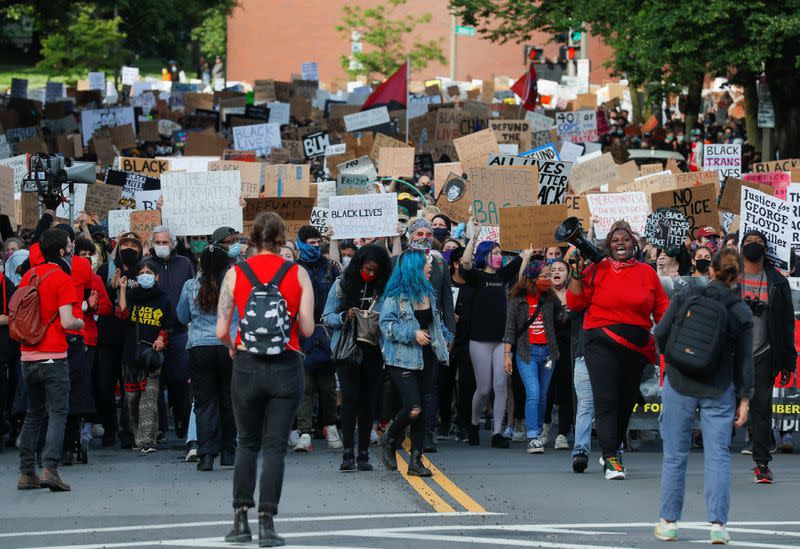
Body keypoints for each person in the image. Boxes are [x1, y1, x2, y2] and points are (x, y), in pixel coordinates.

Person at [216, 212, 314, 547]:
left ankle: (239, 519)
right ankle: (267, 524)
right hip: (286, 365)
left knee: (247, 443)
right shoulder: (297, 272)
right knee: (274, 447)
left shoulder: (235, 273)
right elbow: (307, 329)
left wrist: (233, 348)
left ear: (253, 238)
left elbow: (220, 331)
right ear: (281, 238)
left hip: (246, 364)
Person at [653, 247, 754, 544]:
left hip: (680, 381)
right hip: (718, 387)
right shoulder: (741, 311)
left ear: (710, 270)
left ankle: (669, 522)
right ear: (738, 277)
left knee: (674, 455)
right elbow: (745, 361)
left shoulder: (686, 296)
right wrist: (745, 398)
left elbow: (660, 333)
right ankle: (718, 526)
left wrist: (675, 358)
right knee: (718, 456)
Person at [567, 221, 670, 480]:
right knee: (607, 399)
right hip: (600, 342)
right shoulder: (595, 269)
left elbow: (662, 308)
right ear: (608, 246)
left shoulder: (647, 272)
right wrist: (577, 277)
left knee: (626, 402)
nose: (620, 243)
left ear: (634, 244)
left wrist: (672, 337)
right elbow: (575, 303)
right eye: (615, 240)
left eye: (625, 239)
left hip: (635, 348)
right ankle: (611, 457)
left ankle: (614, 447)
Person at [16, 229, 83, 492]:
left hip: (28, 355)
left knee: (33, 414)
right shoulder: (61, 278)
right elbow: (68, 321)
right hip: (53, 356)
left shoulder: (28, 276)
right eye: (69, 246)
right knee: (57, 413)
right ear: (62, 251)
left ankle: (26, 472)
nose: (71, 249)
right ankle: (50, 468)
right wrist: (80, 321)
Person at [379, 250, 452, 476]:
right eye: (427, 264)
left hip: (427, 358)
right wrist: (413, 334)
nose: (430, 268)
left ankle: (416, 462)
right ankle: (389, 437)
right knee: (414, 408)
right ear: (414, 268)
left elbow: (434, 323)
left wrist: (445, 337)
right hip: (403, 359)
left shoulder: (429, 294)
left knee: (424, 408)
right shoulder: (395, 296)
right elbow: (386, 327)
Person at [322, 244, 392, 472]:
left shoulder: (385, 288)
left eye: (375, 271)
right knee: (350, 399)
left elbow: (393, 317)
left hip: (374, 349)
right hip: (346, 348)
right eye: (367, 269)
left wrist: (379, 318)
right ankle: (347, 452)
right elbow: (327, 315)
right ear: (359, 264)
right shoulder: (342, 283)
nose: (371, 274)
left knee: (368, 401)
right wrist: (345, 315)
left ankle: (363, 453)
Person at [460, 218, 525, 448]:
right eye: (495, 252)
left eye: (500, 252)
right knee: (484, 387)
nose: (499, 256)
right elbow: (465, 262)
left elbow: (522, 260)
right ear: (486, 255)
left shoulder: (503, 276)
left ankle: (497, 432)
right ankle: (474, 422)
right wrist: (474, 236)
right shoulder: (476, 276)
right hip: (479, 340)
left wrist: (528, 251)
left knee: (500, 385)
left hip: (501, 341)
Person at [738, 230, 796, 483]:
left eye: (759, 243)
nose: (753, 245)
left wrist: (787, 362)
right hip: (732, 354)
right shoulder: (729, 276)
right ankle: (715, 459)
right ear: (741, 248)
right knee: (721, 408)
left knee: (761, 410)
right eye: (749, 242)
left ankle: (762, 464)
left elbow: (786, 325)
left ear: (766, 249)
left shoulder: (777, 281)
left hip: (764, 353)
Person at [177, 244, 237, 471]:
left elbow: (181, 316)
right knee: (229, 399)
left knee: (204, 402)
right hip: (227, 346)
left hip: (199, 347)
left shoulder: (190, 286)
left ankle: (206, 454)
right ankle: (229, 452)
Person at [503, 261, 562, 454]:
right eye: (545, 276)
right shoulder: (516, 298)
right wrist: (506, 355)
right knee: (534, 392)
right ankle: (533, 436)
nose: (548, 279)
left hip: (549, 353)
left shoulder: (551, 297)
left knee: (544, 396)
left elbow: (561, 318)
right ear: (532, 278)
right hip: (526, 352)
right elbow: (510, 329)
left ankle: (537, 431)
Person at [117, 259, 174, 454]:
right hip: (131, 354)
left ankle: (147, 440)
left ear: (157, 277)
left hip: (152, 356)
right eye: (142, 272)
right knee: (131, 398)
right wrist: (123, 289)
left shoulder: (164, 299)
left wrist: (161, 339)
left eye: (149, 272)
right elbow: (122, 314)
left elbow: (169, 325)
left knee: (149, 398)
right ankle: (136, 436)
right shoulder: (132, 296)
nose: (145, 275)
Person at [294, 225, 341, 452]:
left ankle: (330, 425)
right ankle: (305, 432)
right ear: (300, 245)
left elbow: (342, 293)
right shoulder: (292, 270)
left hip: (326, 333)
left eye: (317, 242)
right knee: (304, 385)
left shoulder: (331, 268)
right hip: (301, 333)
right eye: (310, 242)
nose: (315, 246)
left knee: (328, 385)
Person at [95, 232, 142, 448]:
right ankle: (109, 428)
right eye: (125, 244)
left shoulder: (143, 270)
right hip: (107, 338)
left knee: (129, 387)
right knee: (105, 386)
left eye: (134, 244)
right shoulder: (106, 269)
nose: (129, 248)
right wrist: (110, 287)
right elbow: (99, 303)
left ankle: (127, 430)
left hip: (132, 336)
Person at [150, 226, 195, 440]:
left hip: (178, 330)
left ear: (173, 243)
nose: (161, 246)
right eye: (157, 242)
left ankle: (181, 420)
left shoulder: (184, 264)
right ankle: (159, 426)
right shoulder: (147, 265)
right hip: (154, 332)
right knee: (155, 380)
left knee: (179, 378)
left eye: (165, 242)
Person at [544, 259, 573, 450]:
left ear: (568, 274)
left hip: (569, 349)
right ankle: (544, 427)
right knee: (546, 390)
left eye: (561, 269)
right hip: (546, 349)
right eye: (553, 269)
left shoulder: (574, 295)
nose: (556, 272)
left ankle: (562, 433)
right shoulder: (543, 296)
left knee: (565, 391)